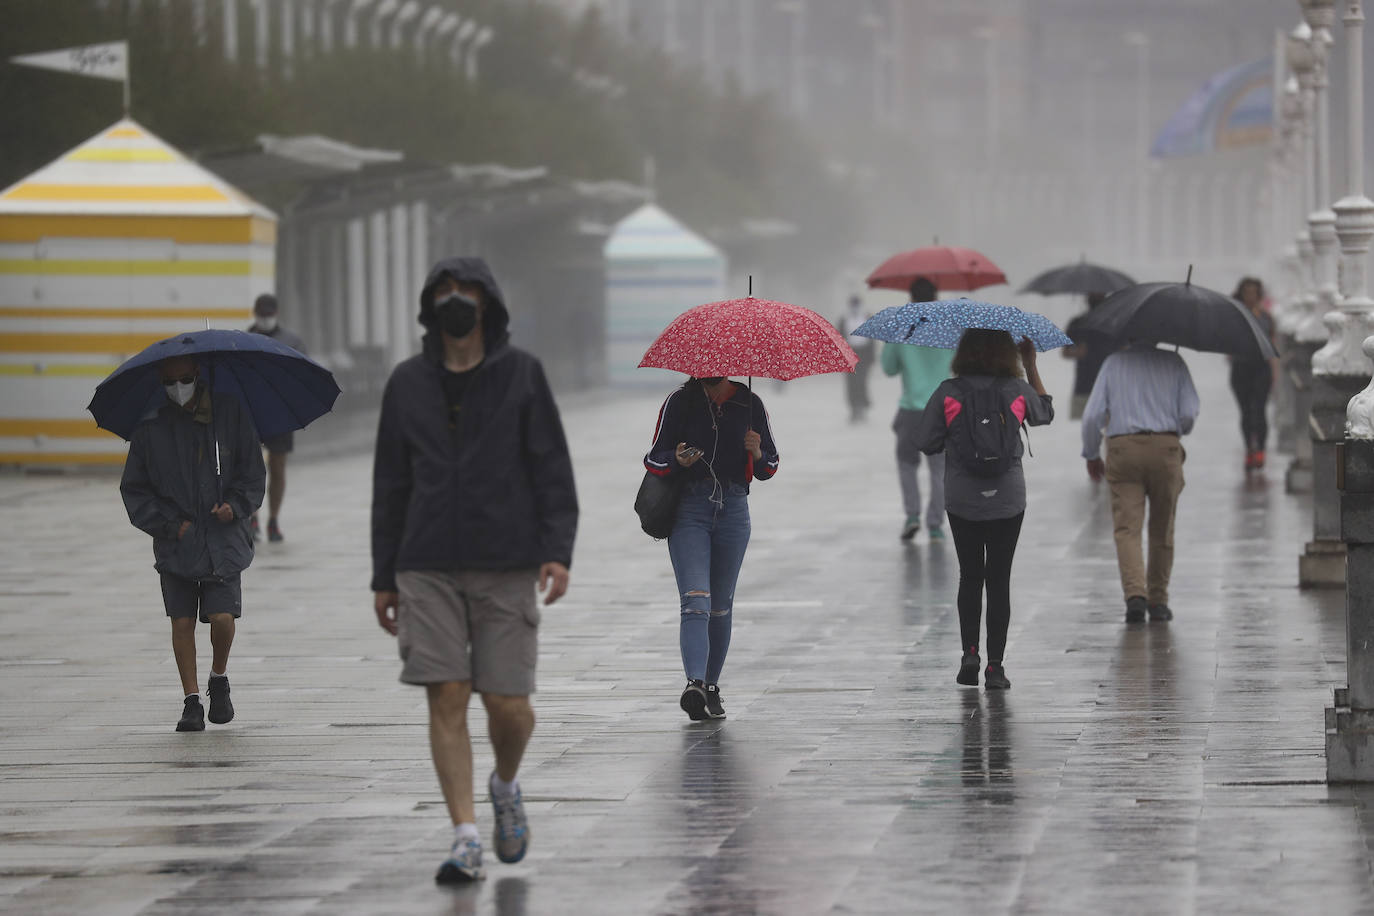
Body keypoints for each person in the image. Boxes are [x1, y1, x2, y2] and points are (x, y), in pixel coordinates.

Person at [370, 257, 577, 884]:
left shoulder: (522, 375)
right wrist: (384, 575)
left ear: (487, 304)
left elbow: (551, 467)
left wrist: (557, 548)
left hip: (506, 556)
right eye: (443, 294)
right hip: (425, 560)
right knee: (447, 693)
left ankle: (505, 784)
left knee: (509, 704)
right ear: (429, 306)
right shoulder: (406, 383)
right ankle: (464, 836)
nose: (454, 303)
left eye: (465, 293)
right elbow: (391, 482)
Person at [119, 355, 265, 732]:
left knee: (222, 617)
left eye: (184, 379)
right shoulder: (151, 428)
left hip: (224, 539)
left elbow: (252, 473)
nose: (177, 387)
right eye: (169, 381)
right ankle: (191, 700)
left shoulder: (229, 415)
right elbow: (134, 490)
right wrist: (169, 525)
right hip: (177, 542)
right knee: (181, 621)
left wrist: (234, 506)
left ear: (198, 376)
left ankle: (219, 676)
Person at [914, 329, 1053, 690]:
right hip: (1008, 497)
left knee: (970, 576)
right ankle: (995, 667)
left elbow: (926, 442)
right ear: (1006, 354)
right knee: (999, 579)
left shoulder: (948, 392)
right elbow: (1044, 415)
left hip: (963, 499)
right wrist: (1031, 365)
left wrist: (955, 437)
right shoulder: (1016, 390)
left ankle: (969, 655)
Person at [644, 375, 779, 721]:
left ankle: (711, 686)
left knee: (720, 606)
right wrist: (676, 459)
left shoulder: (750, 404)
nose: (708, 370)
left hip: (734, 510)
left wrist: (757, 451)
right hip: (690, 510)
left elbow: (769, 467)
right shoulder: (680, 402)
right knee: (695, 600)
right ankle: (695, 683)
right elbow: (654, 459)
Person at [1081, 340, 1200, 624]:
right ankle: (1158, 601)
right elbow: (1188, 414)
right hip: (1165, 447)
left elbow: (1092, 416)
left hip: (1124, 448)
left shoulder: (1113, 363)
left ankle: (1135, 595)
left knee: (1127, 528)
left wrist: (1091, 453)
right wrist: (1173, 429)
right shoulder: (1175, 363)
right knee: (1162, 528)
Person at [882, 276, 953, 540]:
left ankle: (912, 515)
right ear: (935, 298)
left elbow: (889, 369)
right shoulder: (948, 330)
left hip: (911, 410)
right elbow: (958, 365)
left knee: (907, 464)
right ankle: (935, 524)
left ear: (910, 299)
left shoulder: (901, 329)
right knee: (939, 469)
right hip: (942, 410)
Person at [247, 293, 307, 543]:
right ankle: (251, 517)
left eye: (269, 315)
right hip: (251, 414)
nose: (266, 319)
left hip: (281, 414)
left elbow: (303, 374)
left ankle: (273, 519)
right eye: (262, 315)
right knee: (249, 467)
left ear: (276, 314)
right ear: (255, 314)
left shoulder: (291, 341)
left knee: (278, 468)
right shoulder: (244, 341)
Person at [1229, 277, 1278, 471]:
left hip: (1261, 369)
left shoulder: (1266, 318)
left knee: (1259, 411)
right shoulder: (1235, 317)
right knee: (1246, 412)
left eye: (1253, 292)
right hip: (1241, 368)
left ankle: (1261, 450)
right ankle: (1249, 447)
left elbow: (1273, 348)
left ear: (1259, 295)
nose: (1250, 296)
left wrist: (1275, 372)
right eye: (1246, 292)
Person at [1063, 292, 1111, 420]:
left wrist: (1077, 352)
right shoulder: (1112, 323)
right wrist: (1077, 352)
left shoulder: (1078, 323)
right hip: (1098, 386)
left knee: (1081, 430)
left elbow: (1065, 352)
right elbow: (1065, 352)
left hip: (1097, 387)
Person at [839, 294, 874, 422]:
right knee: (851, 384)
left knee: (862, 382)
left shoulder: (866, 317)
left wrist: (872, 358)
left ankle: (862, 409)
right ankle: (853, 410)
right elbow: (840, 339)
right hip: (850, 354)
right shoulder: (844, 319)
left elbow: (872, 339)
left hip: (864, 355)